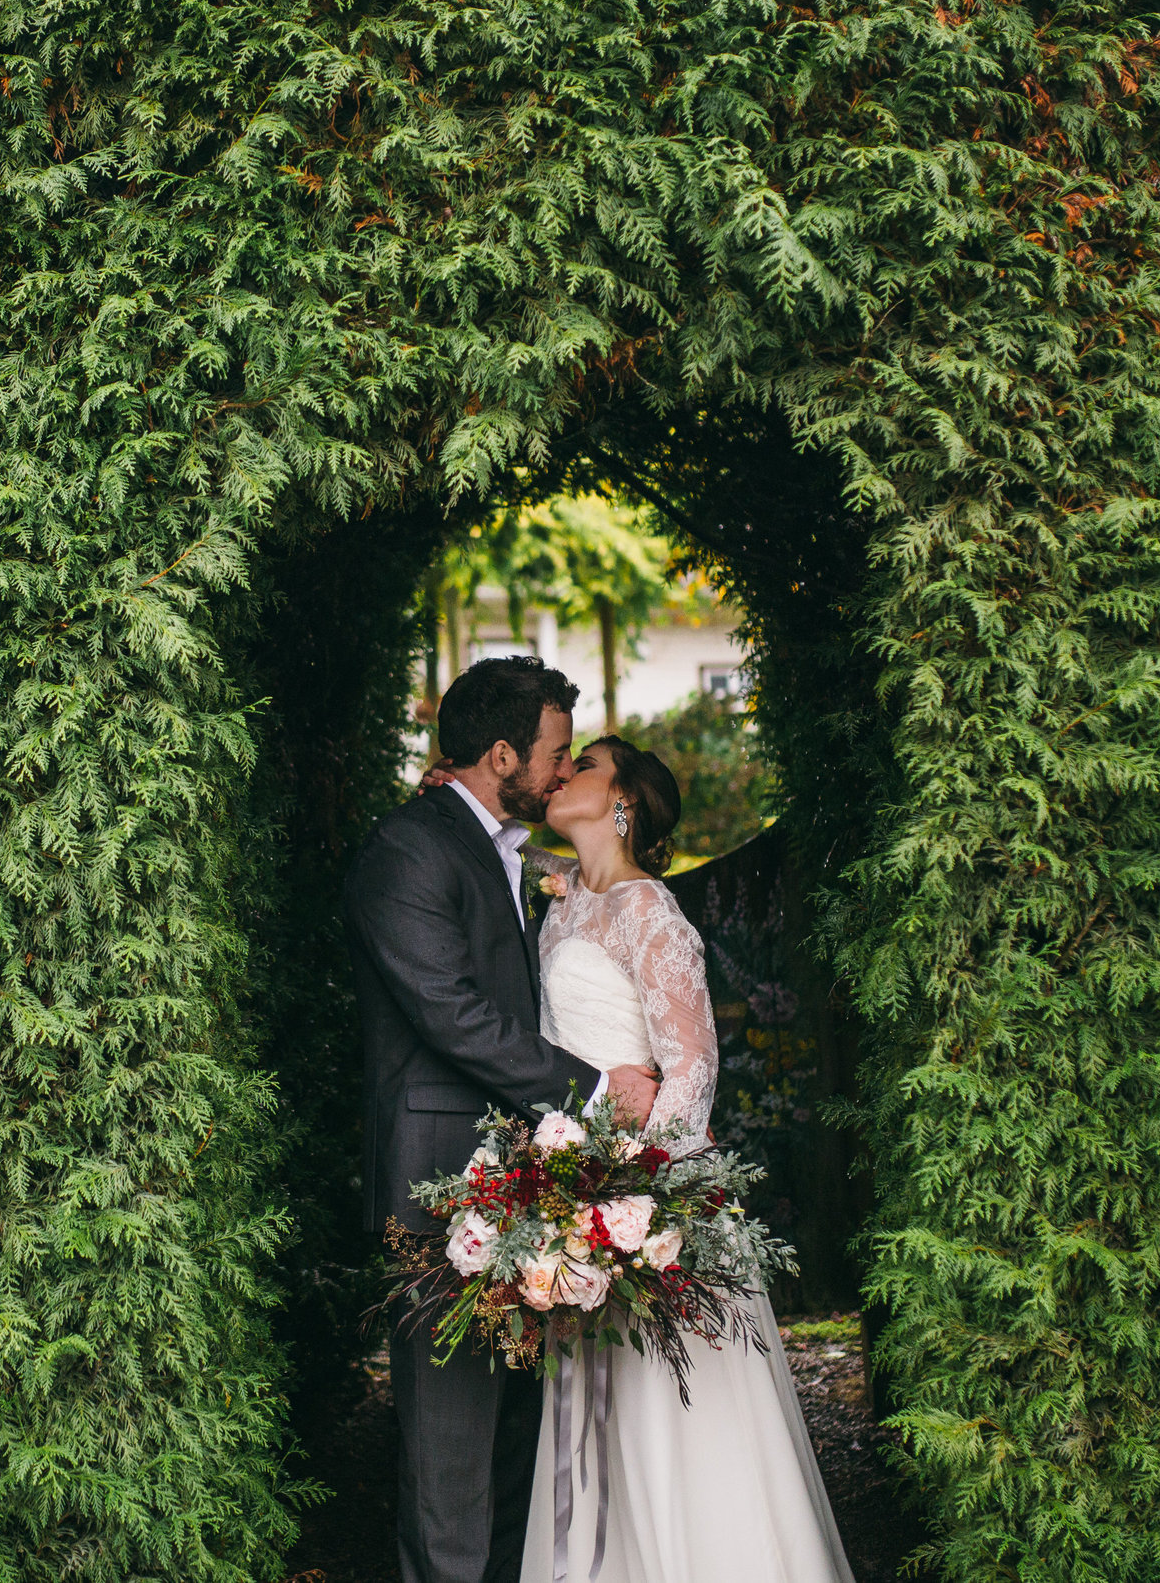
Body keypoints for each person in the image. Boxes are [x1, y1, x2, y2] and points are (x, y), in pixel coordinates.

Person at [501, 735, 856, 1583]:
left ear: (622, 801)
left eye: (583, 765)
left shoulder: (651, 910)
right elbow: (532, 857)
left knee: (672, 1421)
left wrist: (643, 1195)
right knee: (598, 1422)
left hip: (650, 1201)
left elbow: (692, 1063)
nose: (562, 774)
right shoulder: (566, 904)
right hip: (576, 1198)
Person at [345, 656, 664, 1583]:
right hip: (438, 1197)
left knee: (519, 1458)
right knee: (448, 1469)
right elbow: (450, 1011)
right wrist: (596, 1090)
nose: (565, 772)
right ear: (499, 754)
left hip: (527, 1191)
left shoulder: (506, 849)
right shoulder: (406, 848)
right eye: (556, 754)